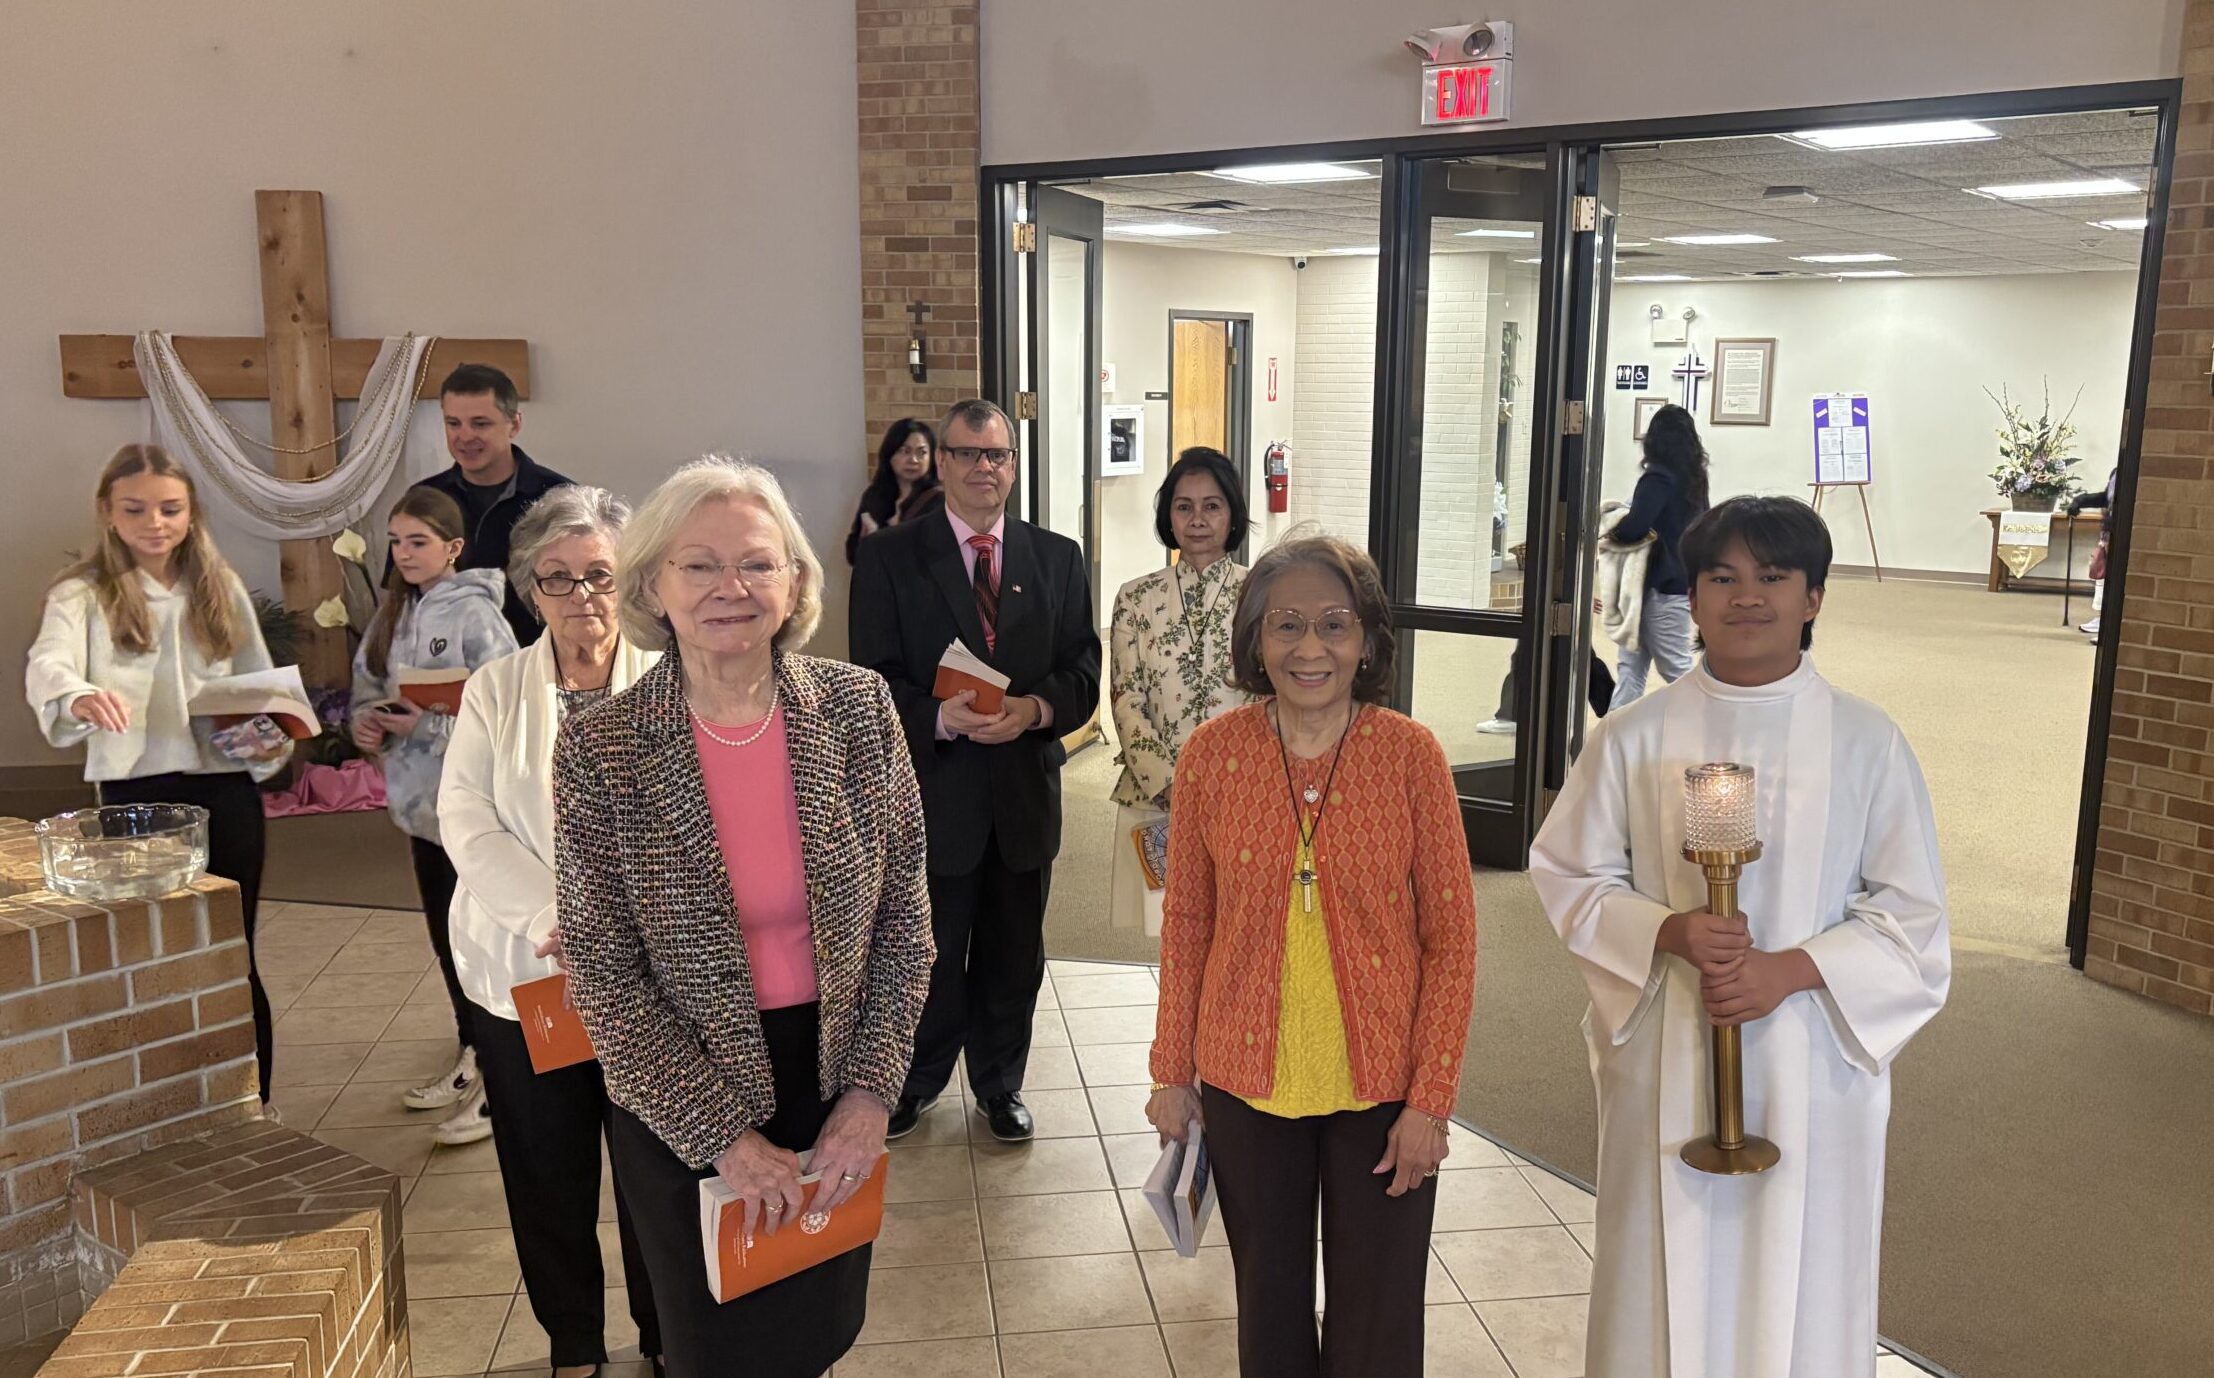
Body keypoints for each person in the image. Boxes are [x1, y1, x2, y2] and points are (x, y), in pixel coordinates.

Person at [1529, 496, 1951, 1378]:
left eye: (1773, 576)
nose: (1746, 596)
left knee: (1805, 1272)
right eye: (1722, 577)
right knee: (1660, 1268)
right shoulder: (1635, 736)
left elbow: (1913, 917)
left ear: (1814, 597)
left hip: (1815, 1056)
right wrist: (1668, 930)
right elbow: (1570, 871)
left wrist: (1791, 970)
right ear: (1692, 596)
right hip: (1670, 1046)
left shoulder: (1867, 741)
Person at [552, 457, 932, 1378]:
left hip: (831, 1078)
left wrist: (870, 1096)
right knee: (715, 1350)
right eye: (700, 565)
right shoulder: (601, 745)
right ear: (654, 585)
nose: (732, 587)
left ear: (794, 581)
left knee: (815, 1336)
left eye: (758, 563)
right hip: (682, 1090)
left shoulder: (858, 710)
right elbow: (601, 972)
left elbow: (904, 923)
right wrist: (723, 1137)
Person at [1146, 532, 1478, 1378]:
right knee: (1269, 1311)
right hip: (1244, 1081)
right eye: (1286, 625)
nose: (1310, 648)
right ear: (1256, 639)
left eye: (1334, 624)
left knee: (1379, 1321)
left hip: (1385, 1088)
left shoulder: (1411, 755)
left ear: (1366, 640)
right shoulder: (1211, 756)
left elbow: (1451, 941)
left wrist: (1431, 1100)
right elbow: (1186, 924)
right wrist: (1171, 1071)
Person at [438, 486, 662, 1378]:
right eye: (558, 579)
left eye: (599, 575)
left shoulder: (673, 679)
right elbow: (467, 821)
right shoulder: (495, 689)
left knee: (656, 1167)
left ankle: (665, 1334)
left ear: (629, 579)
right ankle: (574, 1343)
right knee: (546, 1169)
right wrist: (554, 917)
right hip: (531, 977)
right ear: (532, 590)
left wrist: (619, 925)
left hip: (650, 977)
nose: (581, 598)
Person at [848, 399, 1101, 1142]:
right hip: (934, 795)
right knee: (924, 955)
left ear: (1013, 466)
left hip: (1023, 795)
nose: (983, 467)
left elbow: (1083, 669)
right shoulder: (892, 556)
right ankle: (917, 1081)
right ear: (944, 461)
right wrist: (937, 716)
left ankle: (1000, 1084)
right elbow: (870, 682)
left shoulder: (1057, 558)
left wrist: (1035, 709)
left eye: (997, 455)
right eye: (967, 453)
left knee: (1013, 956)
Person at [25, 445, 290, 1113]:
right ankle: (165, 1105)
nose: (155, 523)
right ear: (108, 513)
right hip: (135, 794)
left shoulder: (218, 586)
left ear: (190, 513)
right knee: (147, 951)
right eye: (136, 509)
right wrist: (78, 695)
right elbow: (49, 662)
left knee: (231, 946)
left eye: (170, 509)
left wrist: (269, 727)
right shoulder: (83, 593)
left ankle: (252, 1101)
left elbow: (260, 684)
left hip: (223, 788)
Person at [350, 488, 517, 1136]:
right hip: (420, 812)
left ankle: (503, 1082)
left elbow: (505, 713)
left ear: (452, 548)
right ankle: (471, 1055)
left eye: (418, 541)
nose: (404, 553)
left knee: (485, 946)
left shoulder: (477, 614)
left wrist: (429, 723)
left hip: (474, 810)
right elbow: (368, 689)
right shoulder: (391, 615)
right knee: (449, 946)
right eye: (396, 541)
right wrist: (369, 724)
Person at [1107, 447, 1253, 935]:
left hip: (1243, 795)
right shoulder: (1136, 597)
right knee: (1172, 935)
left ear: (1232, 514)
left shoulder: (1261, 594)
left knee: (1241, 931)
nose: (1197, 520)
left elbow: (1268, 696)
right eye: (1184, 506)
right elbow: (1126, 699)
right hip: (1157, 796)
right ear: (1168, 516)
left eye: (1212, 506)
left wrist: (1226, 786)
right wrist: (1171, 785)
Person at [412, 363, 572, 646]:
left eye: (480, 423)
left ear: (515, 425)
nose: (465, 436)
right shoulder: (423, 500)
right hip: (445, 662)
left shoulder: (559, 499)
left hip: (535, 659)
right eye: (453, 423)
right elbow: (403, 596)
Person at [1607, 403, 1711, 709]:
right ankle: (1615, 730)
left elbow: (1634, 528)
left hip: (1657, 587)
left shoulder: (1657, 479)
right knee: (1631, 668)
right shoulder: (1695, 479)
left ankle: (1712, 722)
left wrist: (1611, 525)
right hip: (1674, 582)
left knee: (1672, 671)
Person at [844, 418, 944, 563]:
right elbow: (852, 555)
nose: (913, 460)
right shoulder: (874, 495)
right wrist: (864, 541)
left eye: (921, 452)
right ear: (889, 454)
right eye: (904, 451)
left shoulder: (939, 500)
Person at [2069, 465, 2117, 637]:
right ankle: (2102, 618)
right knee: (2102, 577)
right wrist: (2081, 501)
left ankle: (2109, 624)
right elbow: (2106, 498)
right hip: (2108, 535)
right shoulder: (2116, 472)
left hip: (2121, 535)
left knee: (2114, 580)